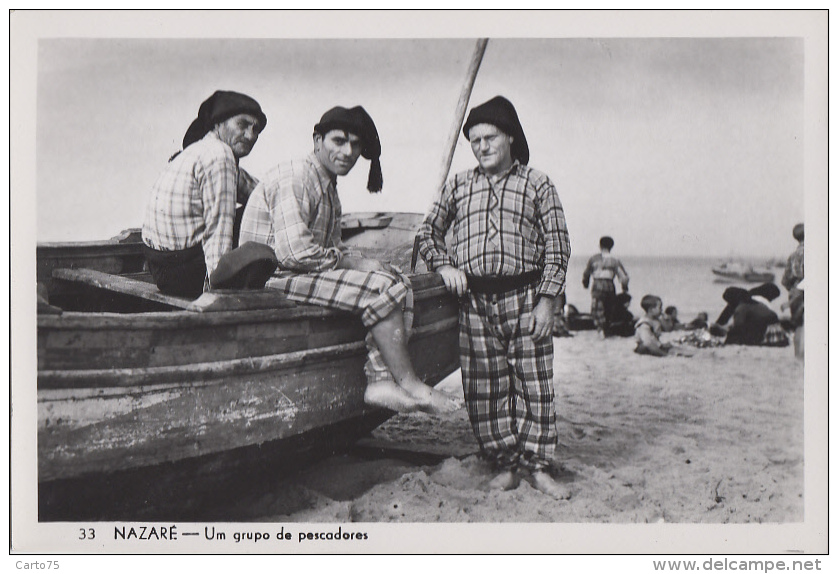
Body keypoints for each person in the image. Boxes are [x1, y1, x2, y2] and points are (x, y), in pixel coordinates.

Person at [239, 105, 458, 415]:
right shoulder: (297, 176)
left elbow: (329, 248)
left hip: (294, 273)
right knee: (381, 288)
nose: (348, 152)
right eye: (338, 141)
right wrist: (357, 265)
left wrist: (369, 263)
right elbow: (296, 254)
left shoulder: (326, 185)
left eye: (355, 145)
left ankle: (383, 379)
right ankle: (407, 382)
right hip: (268, 277)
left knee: (397, 279)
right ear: (317, 140)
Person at [417, 96, 572, 499]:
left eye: (489, 138)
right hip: (474, 304)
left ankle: (537, 466)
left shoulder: (537, 183)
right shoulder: (459, 185)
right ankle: (505, 463)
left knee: (534, 385)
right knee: (485, 389)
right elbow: (427, 232)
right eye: (474, 141)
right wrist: (444, 266)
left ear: (510, 138)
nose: (481, 147)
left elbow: (558, 246)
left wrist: (547, 299)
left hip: (524, 297)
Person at [142, 90, 268, 297]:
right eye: (242, 125)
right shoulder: (220, 155)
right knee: (258, 215)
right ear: (217, 124)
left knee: (261, 205)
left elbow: (261, 193)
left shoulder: (202, 149)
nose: (251, 135)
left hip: (161, 268)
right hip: (184, 275)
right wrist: (218, 292)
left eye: (256, 129)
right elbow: (218, 228)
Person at [582, 236, 629, 338]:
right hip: (610, 284)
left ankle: (600, 330)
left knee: (597, 308)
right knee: (609, 307)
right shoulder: (615, 259)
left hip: (597, 284)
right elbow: (623, 276)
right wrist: (624, 287)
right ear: (612, 246)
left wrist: (585, 283)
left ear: (600, 246)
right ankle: (607, 329)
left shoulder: (594, 258)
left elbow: (586, 273)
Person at [712, 283, 788, 346]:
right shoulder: (757, 304)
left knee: (734, 335)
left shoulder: (742, 308)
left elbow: (738, 326)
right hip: (777, 332)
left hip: (767, 334)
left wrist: (724, 330)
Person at [781, 223, 804, 357]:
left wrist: (793, 290)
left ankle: (798, 356)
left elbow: (785, 280)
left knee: (798, 326)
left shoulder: (792, 256)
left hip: (795, 291)